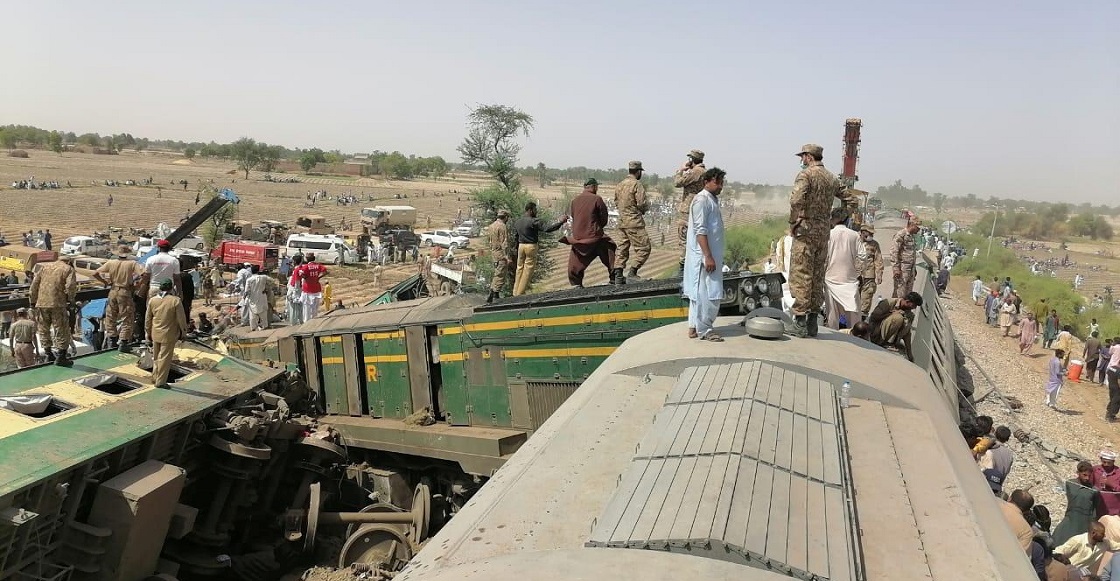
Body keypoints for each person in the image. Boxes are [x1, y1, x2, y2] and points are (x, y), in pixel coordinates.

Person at [787, 143, 859, 337]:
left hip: (805, 231)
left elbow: (795, 201)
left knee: (802, 274)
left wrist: (794, 221)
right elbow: (852, 200)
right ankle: (812, 322)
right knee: (818, 275)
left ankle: (800, 322)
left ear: (809, 157)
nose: (802, 160)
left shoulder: (806, 175)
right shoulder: (831, 178)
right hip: (823, 232)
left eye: (803, 157)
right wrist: (837, 217)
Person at [682, 167, 726, 342]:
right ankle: (705, 329)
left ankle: (694, 327)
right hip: (704, 257)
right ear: (706, 182)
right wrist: (707, 256)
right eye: (717, 182)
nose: (720, 186)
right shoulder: (702, 200)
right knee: (707, 293)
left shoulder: (711, 200)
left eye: (722, 182)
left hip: (710, 255)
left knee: (699, 293)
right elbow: (701, 231)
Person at [563, 179, 616, 288]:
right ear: (594, 187)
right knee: (610, 248)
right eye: (597, 186)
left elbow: (574, 216)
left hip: (579, 238)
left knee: (575, 263)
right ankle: (614, 277)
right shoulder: (597, 199)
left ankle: (576, 283)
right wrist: (597, 228)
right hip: (595, 236)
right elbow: (604, 219)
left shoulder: (574, 201)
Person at [93, 245, 144, 352]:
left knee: (111, 316)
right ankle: (123, 342)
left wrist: (105, 282)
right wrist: (137, 285)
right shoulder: (132, 263)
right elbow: (143, 274)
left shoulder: (111, 263)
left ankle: (112, 340)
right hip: (125, 291)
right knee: (127, 317)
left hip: (112, 291)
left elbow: (95, 273)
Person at [29, 255, 77, 366]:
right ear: (68, 261)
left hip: (41, 303)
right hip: (58, 303)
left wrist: (32, 301)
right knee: (61, 328)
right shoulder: (68, 269)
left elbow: (34, 285)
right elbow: (70, 286)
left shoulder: (45, 267)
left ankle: (48, 354)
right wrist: (71, 300)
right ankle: (61, 357)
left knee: (43, 329)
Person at [511, 201, 568, 295]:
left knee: (519, 269)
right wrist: (560, 222)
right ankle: (519, 294)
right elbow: (547, 229)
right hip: (530, 246)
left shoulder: (518, 222)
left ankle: (515, 291)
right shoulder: (534, 221)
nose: (536, 211)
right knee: (528, 270)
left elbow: (515, 237)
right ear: (530, 210)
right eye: (535, 209)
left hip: (521, 246)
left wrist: (516, 248)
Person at [145, 280, 187, 389]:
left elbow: (148, 319)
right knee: (164, 359)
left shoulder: (152, 300)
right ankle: (161, 382)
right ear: (171, 288)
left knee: (156, 357)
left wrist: (147, 332)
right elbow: (181, 319)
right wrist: (184, 332)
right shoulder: (175, 301)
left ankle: (155, 377)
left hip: (155, 333)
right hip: (168, 334)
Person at [824, 208, 861, 330]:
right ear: (846, 220)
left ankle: (834, 343)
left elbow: (823, 257)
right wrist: (857, 272)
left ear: (832, 220)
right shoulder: (855, 235)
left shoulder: (828, 235)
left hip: (830, 280)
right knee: (853, 316)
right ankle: (855, 339)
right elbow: (862, 256)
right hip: (850, 282)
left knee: (832, 316)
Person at [614, 161, 651, 282]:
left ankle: (618, 275)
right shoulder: (637, 184)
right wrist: (644, 209)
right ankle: (633, 272)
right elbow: (642, 203)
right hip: (634, 222)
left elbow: (616, 202)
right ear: (639, 171)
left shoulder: (620, 184)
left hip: (621, 222)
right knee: (644, 248)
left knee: (622, 248)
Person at [1054, 461, 1103, 546]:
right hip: (1071, 516)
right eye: (1084, 475)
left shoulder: (1094, 490)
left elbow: (1095, 508)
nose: (1087, 478)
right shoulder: (1070, 483)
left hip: (1085, 520)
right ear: (1078, 473)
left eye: (1089, 475)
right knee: (1059, 538)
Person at [673, 149, 706, 270]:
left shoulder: (696, 171)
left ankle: (683, 267)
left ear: (692, 160)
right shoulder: (703, 172)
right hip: (697, 209)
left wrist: (680, 170)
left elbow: (677, 182)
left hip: (688, 211)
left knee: (684, 239)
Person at [867, 292, 924, 361]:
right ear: (907, 301)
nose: (914, 308)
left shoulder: (908, 312)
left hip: (890, 336)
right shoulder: (888, 302)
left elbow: (907, 333)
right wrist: (891, 314)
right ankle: (884, 343)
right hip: (876, 332)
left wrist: (910, 354)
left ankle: (893, 342)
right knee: (898, 318)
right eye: (913, 305)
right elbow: (874, 317)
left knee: (906, 318)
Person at [856, 224, 883, 317]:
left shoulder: (874, 245)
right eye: (870, 233)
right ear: (863, 232)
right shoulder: (854, 241)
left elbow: (878, 260)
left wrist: (879, 274)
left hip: (869, 276)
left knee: (866, 298)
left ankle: (862, 318)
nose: (872, 235)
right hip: (854, 275)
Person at [979, 425, 1014, 495]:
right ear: (1007, 439)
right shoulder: (1009, 455)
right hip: (997, 486)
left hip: (984, 481)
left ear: (995, 434)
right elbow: (1006, 472)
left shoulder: (988, 446)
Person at [486, 210, 512, 303]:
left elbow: (489, 241)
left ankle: (494, 292)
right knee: (500, 274)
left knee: (497, 272)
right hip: (501, 254)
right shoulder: (502, 226)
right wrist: (507, 257)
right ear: (505, 217)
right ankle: (494, 293)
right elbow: (504, 243)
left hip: (494, 253)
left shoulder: (491, 226)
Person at [891, 219, 921, 298]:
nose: (919, 229)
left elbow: (911, 253)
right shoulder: (901, 235)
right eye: (917, 227)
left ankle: (904, 309)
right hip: (902, 269)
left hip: (910, 269)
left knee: (907, 294)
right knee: (899, 292)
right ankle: (896, 308)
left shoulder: (912, 237)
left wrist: (914, 269)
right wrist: (896, 268)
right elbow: (894, 252)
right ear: (912, 225)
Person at [294, 253, 327, 319]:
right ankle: (314, 322)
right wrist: (318, 277)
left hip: (307, 290)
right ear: (314, 258)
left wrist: (306, 278)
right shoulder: (318, 266)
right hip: (317, 290)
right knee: (315, 309)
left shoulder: (305, 267)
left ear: (307, 259)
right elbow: (325, 271)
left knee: (306, 309)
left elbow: (301, 274)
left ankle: (307, 324)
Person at [242, 265, 273, 331]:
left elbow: (246, 291)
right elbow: (272, 281)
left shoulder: (249, 280)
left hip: (252, 299)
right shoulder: (264, 277)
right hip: (262, 297)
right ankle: (265, 326)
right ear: (258, 270)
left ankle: (253, 328)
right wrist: (267, 288)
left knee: (252, 316)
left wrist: (244, 297)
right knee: (263, 314)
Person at [1093, 451, 1120, 516]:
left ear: (1113, 462)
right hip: (1096, 507)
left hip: (1113, 510)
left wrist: (1111, 484)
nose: (1106, 464)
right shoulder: (1095, 470)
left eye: (1109, 463)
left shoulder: (1119, 473)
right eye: (1104, 462)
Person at [1106, 342, 1120, 423]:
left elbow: (1108, 374)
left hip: (1111, 386)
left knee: (1112, 399)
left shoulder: (1111, 368)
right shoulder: (1119, 371)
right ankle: (1111, 416)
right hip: (1117, 388)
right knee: (1116, 401)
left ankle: (1108, 413)